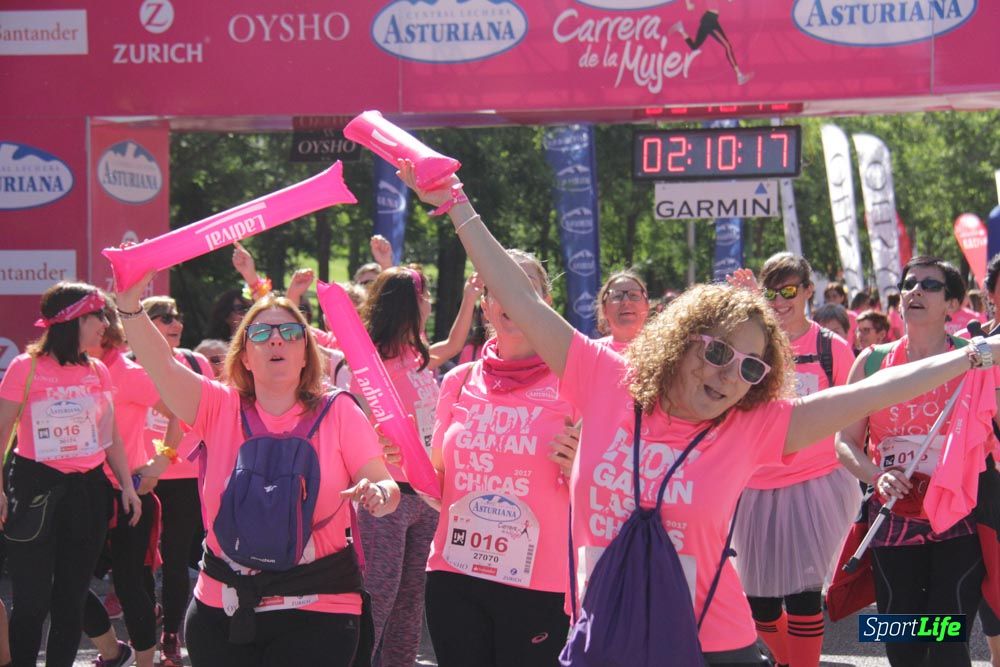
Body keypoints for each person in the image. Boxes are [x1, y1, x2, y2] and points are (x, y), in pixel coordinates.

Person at [398, 159, 1000, 663]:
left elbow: (875, 392)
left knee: (911, 628)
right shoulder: (604, 377)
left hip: (711, 647)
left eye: (751, 368)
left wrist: (973, 355)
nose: (728, 374)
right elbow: (521, 298)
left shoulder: (753, 425)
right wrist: (456, 202)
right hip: (605, 637)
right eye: (717, 351)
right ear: (681, 340)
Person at [114, 273, 399, 667]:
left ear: (306, 352)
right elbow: (161, 365)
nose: (276, 340)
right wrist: (128, 305)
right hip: (221, 609)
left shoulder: (340, 412)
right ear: (245, 356)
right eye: (261, 333)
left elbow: (385, 484)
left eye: (290, 332)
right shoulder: (216, 406)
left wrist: (379, 494)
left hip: (318, 606)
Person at [835, 256, 996, 667]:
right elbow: (844, 441)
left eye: (930, 285)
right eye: (909, 284)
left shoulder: (975, 359)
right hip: (893, 520)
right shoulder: (871, 362)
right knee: (902, 645)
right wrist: (877, 476)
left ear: (952, 304)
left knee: (947, 642)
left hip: (958, 518)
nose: (916, 291)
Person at [424, 249, 579, 667]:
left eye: (525, 286)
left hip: (538, 584)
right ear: (486, 304)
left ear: (545, 302)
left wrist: (582, 468)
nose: (512, 296)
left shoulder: (575, 382)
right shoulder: (458, 381)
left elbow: (609, 489)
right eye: (500, 286)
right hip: (455, 575)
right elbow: (438, 484)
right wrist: (400, 462)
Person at [0, 282, 141, 667]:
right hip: (35, 489)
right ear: (73, 319)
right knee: (31, 601)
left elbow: (109, 435)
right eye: (98, 316)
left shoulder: (97, 369)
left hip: (88, 492)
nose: (105, 325)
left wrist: (127, 486)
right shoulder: (25, 367)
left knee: (71, 601)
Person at [729, 256, 859, 667]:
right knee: (760, 607)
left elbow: (855, 410)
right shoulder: (751, 343)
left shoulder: (831, 348)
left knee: (803, 597)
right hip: (755, 490)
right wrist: (748, 314)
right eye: (771, 292)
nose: (780, 301)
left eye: (789, 291)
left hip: (816, 486)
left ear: (807, 290)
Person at [140, 296, 215, 667]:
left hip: (185, 475)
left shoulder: (196, 362)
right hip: (139, 477)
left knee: (174, 560)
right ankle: (143, 623)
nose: (176, 323)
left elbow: (212, 413)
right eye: (165, 317)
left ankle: (170, 635)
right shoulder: (127, 364)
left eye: (177, 316)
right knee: (137, 562)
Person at [670, 0, 753, 85]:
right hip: (709, 20)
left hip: (709, 20)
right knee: (727, 46)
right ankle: (739, 76)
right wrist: (688, 3)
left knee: (694, 46)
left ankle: (680, 29)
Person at [595, 271, 651, 353]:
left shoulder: (665, 349)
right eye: (617, 296)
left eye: (634, 295)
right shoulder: (591, 352)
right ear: (604, 309)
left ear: (647, 306)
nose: (626, 301)